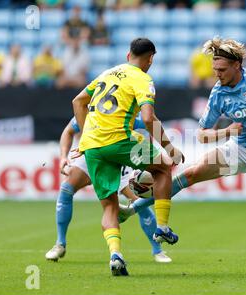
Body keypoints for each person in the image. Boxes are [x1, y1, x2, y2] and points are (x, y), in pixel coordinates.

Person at [121, 37, 246, 269]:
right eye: (215, 70)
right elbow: (202, 134)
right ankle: (132, 209)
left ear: (237, 65)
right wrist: (227, 131)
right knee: (190, 175)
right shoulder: (218, 94)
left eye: (222, 70)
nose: (217, 74)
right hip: (238, 150)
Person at [72, 38, 184, 276]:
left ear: (127, 55)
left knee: (110, 206)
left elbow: (78, 101)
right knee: (164, 167)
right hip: (120, 138)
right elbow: (149, 118)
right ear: (151, 58)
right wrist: (169, 147)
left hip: (93, 145)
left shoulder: (107, 73)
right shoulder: (143, 79)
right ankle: (162, 227)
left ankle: (115, 255)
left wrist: (84, 138)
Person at [45, 116, 173, 264]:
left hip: (120, 152)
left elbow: (148, 128)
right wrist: (63, 157)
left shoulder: (128, 114)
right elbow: (68, 130)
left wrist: (150, 158)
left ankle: (157, 250)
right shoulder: (90, 110)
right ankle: (60, 243)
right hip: (94, 151)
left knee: (138, 201)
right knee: (66, 188)